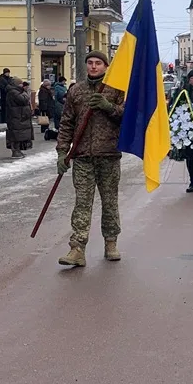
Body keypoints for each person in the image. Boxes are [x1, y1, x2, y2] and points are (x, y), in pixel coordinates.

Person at [56, 50, 126, 266]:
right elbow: (66, 122)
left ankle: (111, 242)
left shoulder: (116, 89)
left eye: (98, 63)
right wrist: (62, 152)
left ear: (106, 66)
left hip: (109, 154)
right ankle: (77, 248)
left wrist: (109, 108)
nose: (93, 67)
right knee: (82, 203)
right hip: (83, 156)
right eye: (90, 63)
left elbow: (128, 116)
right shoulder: (76, 91)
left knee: (110, 202)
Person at [3, 77, 34, 159]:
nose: (21, 85)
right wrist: (26, 93)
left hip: (19, 116)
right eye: (20, 84)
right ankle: (15, 151)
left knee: (19, 134)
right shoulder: (13, 92)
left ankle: (18, 150)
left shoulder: (16, 91)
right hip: (16, 116)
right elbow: (23, 100)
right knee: (15, 134)